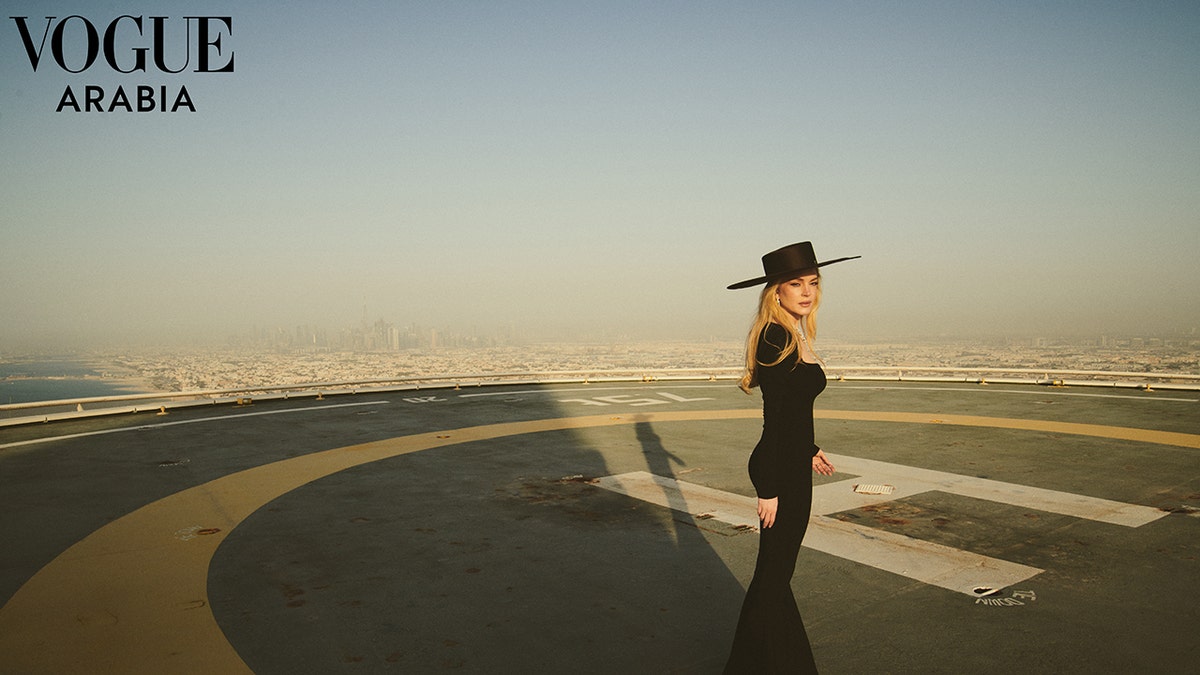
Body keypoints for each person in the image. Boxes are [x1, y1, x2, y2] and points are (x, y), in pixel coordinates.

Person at [723, 241, 859, 674]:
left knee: (776, 577)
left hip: (792, 465)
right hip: (777, 472)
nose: (807, 292)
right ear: (774, 292)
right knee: (772, 579)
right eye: (795, 284)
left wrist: (810, 448)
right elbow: (774, 418)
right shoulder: (774, 336)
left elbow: (795, 412)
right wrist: (768, 487)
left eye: (813, 283)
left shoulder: (793, 332)